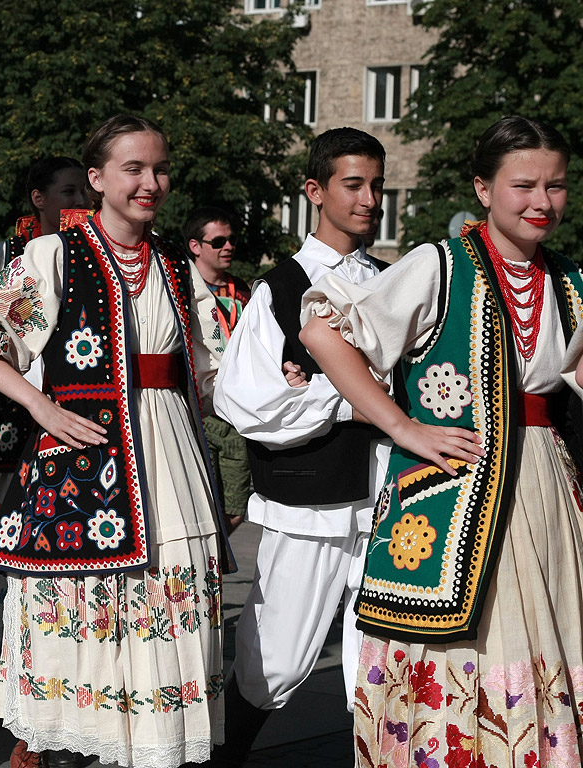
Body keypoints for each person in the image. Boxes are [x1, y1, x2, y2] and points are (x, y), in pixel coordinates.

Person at [0, 114, 228, 768]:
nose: (150, 182)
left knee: (162, 619)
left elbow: (214, 367)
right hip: (85, 468)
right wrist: (38, 404)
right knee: (81, 625)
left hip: (171, 466)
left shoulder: (175, 262)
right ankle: (59, 751)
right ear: (97, 179)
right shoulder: (55, 255)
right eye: (133, 169)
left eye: (159, 168)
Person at [300, 115, 583, 767]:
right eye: (524, 185)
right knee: (471, 651)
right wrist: (399, 424)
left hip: (544, 492)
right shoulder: (440, 266)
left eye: (557, 185)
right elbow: (324, 329)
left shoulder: (569, 281)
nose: (542, 201)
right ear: (483, 190)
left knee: (548, 643)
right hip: (455, 497)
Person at [211, 127, 389, 764]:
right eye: (352, 184)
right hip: (309, 497)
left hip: (388, 493)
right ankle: (223, 756)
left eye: (376, 185)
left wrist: (337, 385)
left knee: (382, 657)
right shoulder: (281, 288)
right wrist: (348, 395)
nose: (369, 199)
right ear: (314, 190)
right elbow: (245, 400)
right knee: (278, 654)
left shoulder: (393, 282)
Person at [0, 156, 88, 637]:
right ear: (39, 199)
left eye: (83, 192)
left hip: (73, 407)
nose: (80, 202)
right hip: (14, 412)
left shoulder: (92, 249)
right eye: (68, 192)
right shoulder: (8, 255)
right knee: (0, 523)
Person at [184, 207, 251, 535]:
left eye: (231, 240)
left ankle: (215, 565)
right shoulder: (180, 289)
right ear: (196, 246)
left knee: (236, 509)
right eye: (219, 241)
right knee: (199, 504)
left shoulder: (243, 292)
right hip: (193, 411)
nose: (228, 246)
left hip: (235, 413)